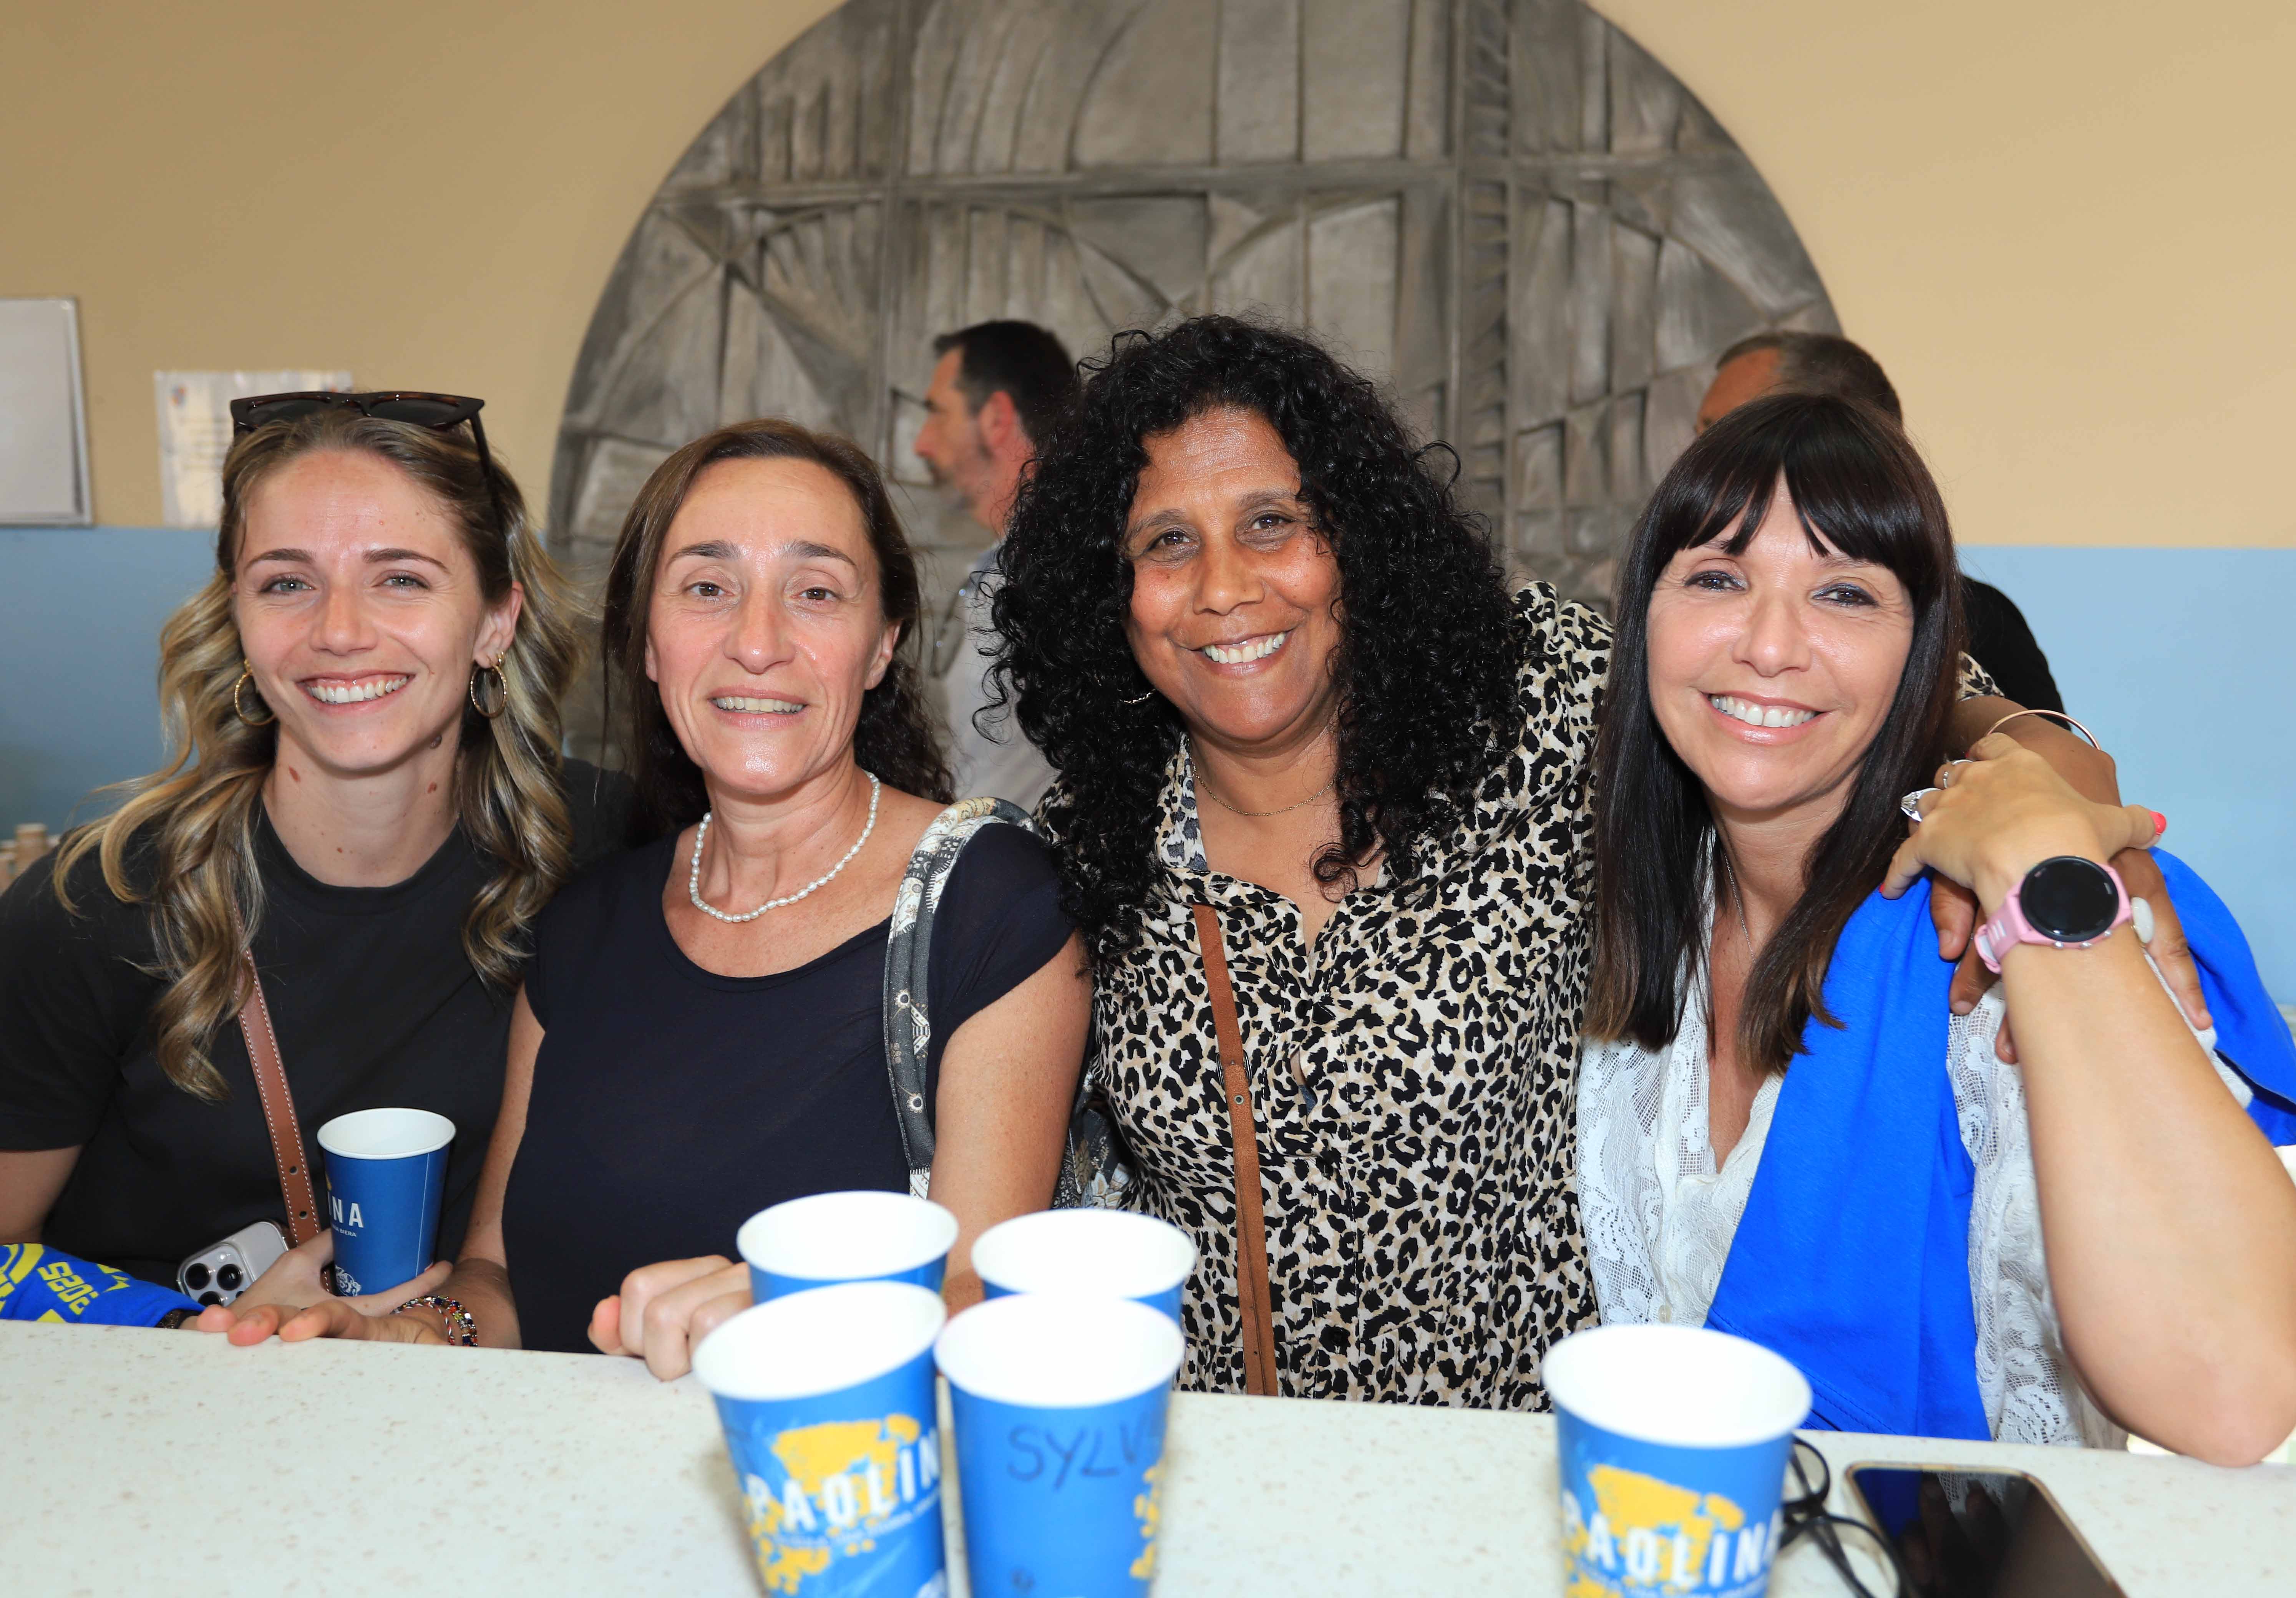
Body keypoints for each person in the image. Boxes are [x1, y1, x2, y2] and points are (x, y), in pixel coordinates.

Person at [984, 315, 2161, 1409]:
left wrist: (2043, 778)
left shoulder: (1528, 706)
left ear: (1354, 539)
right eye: (1166, 543)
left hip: (1540, 1492)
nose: (1226, 587)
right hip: (1236, 1499)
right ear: (1113, 592)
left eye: (1272, 523)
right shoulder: (1096, 851)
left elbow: (1837, 686)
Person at [241, 419, 1089, 1370]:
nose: (757, 642)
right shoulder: (585, 923)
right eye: (706, 589)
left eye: (814, 592)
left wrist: (804, 1302)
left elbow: (986, 1291)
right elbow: (499, 1275)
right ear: (648, 642)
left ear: (882, 643)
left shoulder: (993, 905)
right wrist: (416, 1326)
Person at [1579, 393, 2296, 1464]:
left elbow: (2238, 1399)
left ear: (1925, 657)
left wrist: (2039, 872)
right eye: (1719, 579)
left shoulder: (2004, 932)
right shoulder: (1649, 921)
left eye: (1843, 593)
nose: (1771, 645)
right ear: (1646, 623)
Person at [0, 395, 621, 1328]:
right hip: (162, 1435)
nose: (339, 630)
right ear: (240, 624)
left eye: (401, 579)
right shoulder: (101, 906)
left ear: (495, 621)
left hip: (476, 1418)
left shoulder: (607, 845)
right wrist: (182, 1334)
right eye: (286, 583)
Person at [1698, 330, 2064, 714]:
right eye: (1716, 582)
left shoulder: (1968, 620)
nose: (1768, 653)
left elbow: (2051, 767)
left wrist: (1993, 728)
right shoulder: (1675, 598)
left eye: (1847, 597)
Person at [913, 320, 1079, 809]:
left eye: (937, 414)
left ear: (996, 418)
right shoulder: (1006, 565)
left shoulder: (1065, 574)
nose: (922, 443)